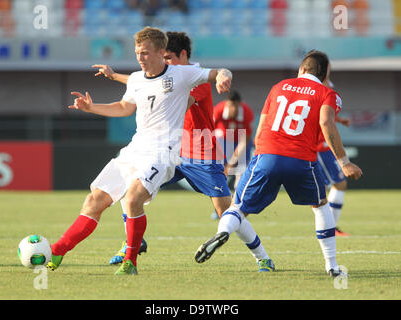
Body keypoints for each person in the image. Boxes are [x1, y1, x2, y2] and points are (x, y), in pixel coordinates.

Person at [46, 27, 232, 275]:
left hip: (163, 152)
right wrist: (91, 108)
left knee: (133, 198)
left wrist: (222, 76)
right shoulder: (136, 79)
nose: (140, 58)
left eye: (144, 53)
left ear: (161, 52)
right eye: (137, 53)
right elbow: (124, 107)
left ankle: (130, 261)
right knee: (94, 200)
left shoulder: (182, 74)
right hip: (135, 149)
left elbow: (219, 71)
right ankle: (57, 251)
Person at [93, 31, 274, 272]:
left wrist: (223, 75)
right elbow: (150, 83)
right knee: (131, 190)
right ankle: (133, 243)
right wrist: (115, 76)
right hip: (170, 151)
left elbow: (167, 91)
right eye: (163, 58)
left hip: (201, 152)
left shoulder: (190, 79)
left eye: (168, 58)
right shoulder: (169, 76)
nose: (164, 63)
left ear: (183, 55)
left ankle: (262, 257)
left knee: (226, 211)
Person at [195, 50, 362, 277]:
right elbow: (325, 121)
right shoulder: (327, 92)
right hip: (300, 159)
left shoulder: (279, 86)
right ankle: (332, 266)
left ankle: (223, 231)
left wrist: (262, 154)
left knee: (238, 208)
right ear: (323, 75)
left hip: (267, 155)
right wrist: (344, 162)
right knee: (321, 205)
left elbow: (262, 125)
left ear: (302, 69)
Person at [318, 69, 352, 237]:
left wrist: (339, 120)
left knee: (329, 187)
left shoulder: (324, 83)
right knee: (335, 185)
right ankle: (329, 228)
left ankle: (330, 227)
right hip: (319, 147)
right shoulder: (320, 86)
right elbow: (321, 112)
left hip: (323, 147)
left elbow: (326, 112)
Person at [213, 90, 255, 189]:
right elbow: (209, 131)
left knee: (242, 166)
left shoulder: (247, 113)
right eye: (231, 105)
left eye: (235, 106)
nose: (233, 109)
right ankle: (219, 186)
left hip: (240, 142)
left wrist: (231, 162)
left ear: (240, 104)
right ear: (227, 103)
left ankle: (239, 189)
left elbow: (244, 141)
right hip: (223, 140)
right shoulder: (218, 109)